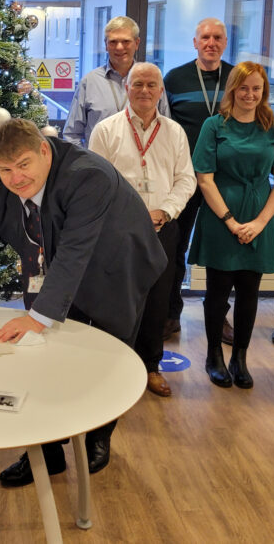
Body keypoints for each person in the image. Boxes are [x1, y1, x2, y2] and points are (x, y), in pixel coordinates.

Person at [0, 118, 166, 487]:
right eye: (4, 169)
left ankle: (98, 435)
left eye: (23, 165)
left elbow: (75, 252)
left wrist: (36, 317)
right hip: (52, 268)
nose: (15, 179)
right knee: (41, 355)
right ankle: (45, 454)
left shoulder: (87, 176)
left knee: (107, 355)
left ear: (44, 151)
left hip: (117, 266)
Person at [89, 62, 195, 397]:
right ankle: (113, 366)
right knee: (117, 301)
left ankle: (150, 366)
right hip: (119, 230)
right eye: (138, 85)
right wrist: (130, 214)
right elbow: (97, 183)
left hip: (162, 227)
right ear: (126, 89)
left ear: (161, 91)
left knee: (156, 300)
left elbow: (186, 179)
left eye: (152, 85)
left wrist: (165, 210)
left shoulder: (175, 132)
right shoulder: (106, 131)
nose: (145, 91)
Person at [189, 61, 274, 389]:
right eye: (243, 87)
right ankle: (214, 356)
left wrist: (261, 222)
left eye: (256, 88)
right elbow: (204, 177)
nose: (250, 94)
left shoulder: (273, 126)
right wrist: (231, 221)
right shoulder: (214, 125)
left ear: (264, 92)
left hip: (260, 218)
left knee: (250, 292)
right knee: (217, 292)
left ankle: (240, 358)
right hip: (222, 216)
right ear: (233, 88)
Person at [163, 17, 236, 344]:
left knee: (224, 251)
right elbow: (165, 129)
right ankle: (169, 315)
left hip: (226, 180)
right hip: (186, 179)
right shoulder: (175, 79)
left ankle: (218, 317)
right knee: (175, 249)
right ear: (195, 42)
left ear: (225, 42)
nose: (211, 43)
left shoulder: (238, 77)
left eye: (217, 37)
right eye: (205, 37)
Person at [62, 15, 169, 147]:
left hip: (143, 164)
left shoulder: (152, 82)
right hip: (99, 165)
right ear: (105, 45)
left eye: (126, 41)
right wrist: (86, 164)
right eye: (113, 42)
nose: (119, 47)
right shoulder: (89, 82)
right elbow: (72, 135)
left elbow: (165, 129)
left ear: (137, 43)